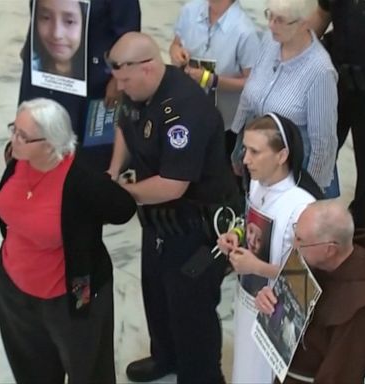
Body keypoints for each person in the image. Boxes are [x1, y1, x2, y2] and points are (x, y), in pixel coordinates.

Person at [107, 32, 240, 384]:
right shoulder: (138, 86)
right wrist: (112, 171)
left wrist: (123, 194)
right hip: (160, 218)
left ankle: (201, 376)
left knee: (190, 305)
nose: (120, 87)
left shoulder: (185, 109)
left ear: (148, 69)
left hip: (200, 228)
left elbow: (173, 184)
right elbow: (125, 121)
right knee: (155, 289)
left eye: (124, 80)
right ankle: (165, 357)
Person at [0, 98, 136, 383]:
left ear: (50, 143)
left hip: (73, 293)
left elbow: (122, 208)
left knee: (87, 366)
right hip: (13, 287)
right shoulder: (19, 160)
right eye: (14, 130)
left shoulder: (82, 178)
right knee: (30, 366)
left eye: (23, 135)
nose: (14, 140)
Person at [217, 113, 323, 383]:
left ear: (282, 155)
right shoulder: (256, 183)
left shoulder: (301, 206)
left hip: (274, 310)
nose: (245, 159)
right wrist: (237, 234)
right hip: (246, 298)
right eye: (245, 149)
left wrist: (258, 267)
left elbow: (310, 279)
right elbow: (252, 220)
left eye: (255, 151)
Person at [231, 0, 338, 197]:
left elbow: (324, 144)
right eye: (269, 16)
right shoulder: (269, 41)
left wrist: (307, 193)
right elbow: (249, 95)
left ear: (304, 22)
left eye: (280, 20)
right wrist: (236, 143)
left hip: (293, 171)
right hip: (259, 159)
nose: (271, 25)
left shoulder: (320, 72)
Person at [18, 0, 141, 171]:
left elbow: (129, 32)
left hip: (93, 78)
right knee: (37, 128)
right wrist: (30, 43)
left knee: (82, 152)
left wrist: (118, 77)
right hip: (44, 72)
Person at [256, 199, 365, 383]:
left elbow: (340, 375)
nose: (294, 245)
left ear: (330, 250)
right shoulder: (311, 260)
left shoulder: (358, 306)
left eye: (300, 240)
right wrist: (268, 302)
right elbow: (281, 317)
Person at [169, 0, 260, 154]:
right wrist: (175, 52)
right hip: (185, 112)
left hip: (223, 125)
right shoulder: (189, 11)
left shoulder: (245, 31)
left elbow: (252, 83)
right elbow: (175, 44)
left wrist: (212, 80)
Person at [309, 1, 365, 227]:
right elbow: (323, 15)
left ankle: (360, 232)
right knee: (317, 150)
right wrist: (297, 51)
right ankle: (307, 218)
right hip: (337, 80)